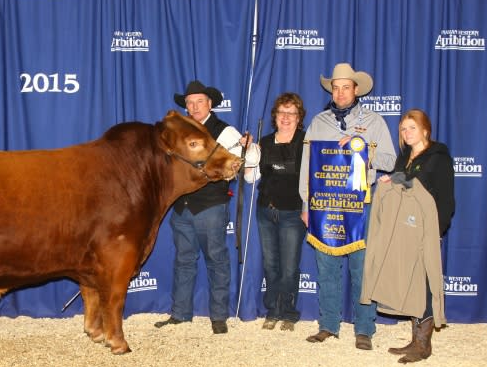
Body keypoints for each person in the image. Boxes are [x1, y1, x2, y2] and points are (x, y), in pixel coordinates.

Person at [299, 63, 396, 350]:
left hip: (360, 206)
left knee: (362, 268)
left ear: (356, 90)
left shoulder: (375, 122)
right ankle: (328, 324)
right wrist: (306, 204)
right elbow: (308, 166)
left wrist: (362, 147)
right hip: (324, 205)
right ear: (332, 90)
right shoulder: (318, 122)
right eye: (336, 87)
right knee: (326, 267)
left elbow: (389, 161)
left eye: (346, 87)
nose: (340, 92)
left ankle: (364, 328)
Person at [154, 80, 259, 334]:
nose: (194, 106)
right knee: (183, 260)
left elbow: (250, 159)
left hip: (211, 206)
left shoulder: (224, 132)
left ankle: (218, 316)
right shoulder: (180, 131)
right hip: (181, 206)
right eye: (189, 103)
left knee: (216, 259)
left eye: (199, 101)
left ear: (210, 104)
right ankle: (180, 313)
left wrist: (249, 148)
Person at [365, 108, 455, 363]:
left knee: (424, 285)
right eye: (403, 129)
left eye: (411, 128)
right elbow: (401, 185)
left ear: (425, 129)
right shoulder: (404, 156)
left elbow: (445, 197)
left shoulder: (438, 157)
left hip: (425, 229)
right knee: (411, 283)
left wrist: (437, 228)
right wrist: (390, 181)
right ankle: (415, 339)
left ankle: (424, 345)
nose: (406, 133)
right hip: (404, 229)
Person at [244, 93, 306, 332]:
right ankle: (273, 310)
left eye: (291, 113)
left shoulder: (306, 141)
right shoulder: (265, 143)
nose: (286, 117)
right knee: (271, 265)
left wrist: (308, 209)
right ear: (275, 117)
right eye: (282, 113)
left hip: (293, 213)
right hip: (266, 211)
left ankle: (289, 312)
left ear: (299, 117)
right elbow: (251, 178)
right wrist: (250, 152)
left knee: (289, 267)